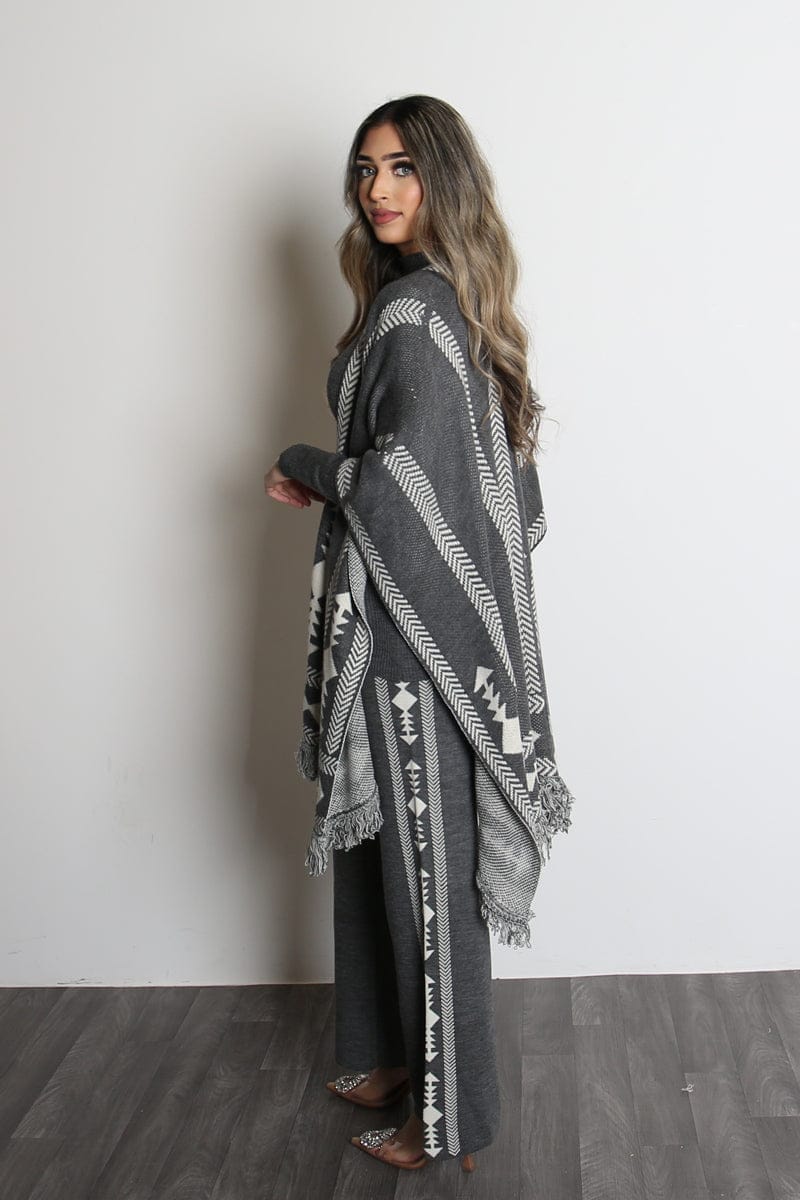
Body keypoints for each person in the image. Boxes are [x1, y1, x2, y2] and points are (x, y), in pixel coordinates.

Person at [264, 95, 574, 1175]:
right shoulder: (441, 304)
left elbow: (400, 487)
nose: (378, 189)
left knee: (429, 888)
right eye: (365, 170)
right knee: (375, 862)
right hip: (403, 630)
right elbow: (506, 500)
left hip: (413, 649)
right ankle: (386, 1057)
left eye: (401, 167)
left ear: (442, 177)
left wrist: (306, 464)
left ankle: (449, 1120)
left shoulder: (416, 313)